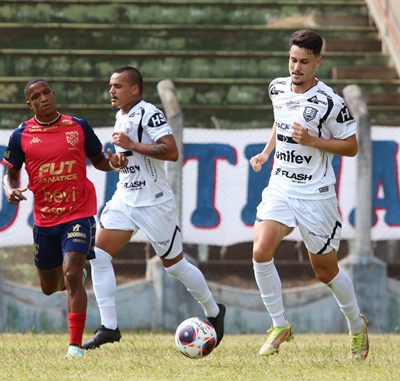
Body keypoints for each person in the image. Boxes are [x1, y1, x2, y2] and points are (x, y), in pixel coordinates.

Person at [82, 66, 225, 350]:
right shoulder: (120, 115)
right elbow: (126, 160)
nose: (111, 91)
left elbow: (171, 151)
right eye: (111, 86)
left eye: (118, 86)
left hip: (154, 202)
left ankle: (215, 310)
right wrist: (116, 162)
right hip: (125, 197)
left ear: (135, 89)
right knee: (97, 255)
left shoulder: (150, 113)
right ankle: (109, 327)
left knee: (175, 266)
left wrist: (133, 145)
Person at [250, 30, 369, 359]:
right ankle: (280, 325)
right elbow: (280, 122)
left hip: (316, 195)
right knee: (260, 251)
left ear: (317, 62)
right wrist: (265, 152)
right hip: (281, 186)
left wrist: (313, 141)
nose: (296, 67)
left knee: (325, 272)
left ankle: (356, 325)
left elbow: (351, 146)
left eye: (304, 62)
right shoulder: (277, 88)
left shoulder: (330, 102)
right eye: (292, 59)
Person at [2, 78, 128, 358]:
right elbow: (10, 174)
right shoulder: (20, 135)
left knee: (72, 275)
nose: (43, 98)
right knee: (50, 287)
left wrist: (114, 163)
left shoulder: (78, 126)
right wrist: (9, 189)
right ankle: (69, 277)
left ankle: (74, 346)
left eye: (47, 92)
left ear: (54, 94)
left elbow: (99, 161)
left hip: (78, 213)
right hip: (45, 220)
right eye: (36, 96)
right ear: (29, 104)